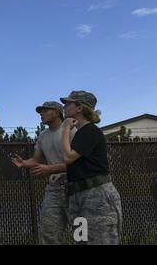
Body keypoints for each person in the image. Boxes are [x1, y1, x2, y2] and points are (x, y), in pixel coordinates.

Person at [60, 91, 123, 245]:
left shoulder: (91, 131)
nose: (64, 107)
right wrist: (62, 173)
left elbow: (67, 157)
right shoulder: (82, 134)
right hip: (78, 196)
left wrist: (65, 129)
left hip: (97, 197)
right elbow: (81, 164)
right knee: (81, 241)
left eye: (68, 103)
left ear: (79, 107)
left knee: (101, 241)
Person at [12, 101, 76, 245]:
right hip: (54, 188)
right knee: (48, 231)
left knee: (81, 232)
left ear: (56, 112)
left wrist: (49, 169)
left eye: (45, 110)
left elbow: (79, 163)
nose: (41, 114)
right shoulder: (43, 135)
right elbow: (35, 159)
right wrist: (23, 163)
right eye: (40, 111)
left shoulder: (71, 130)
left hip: (75, 187)